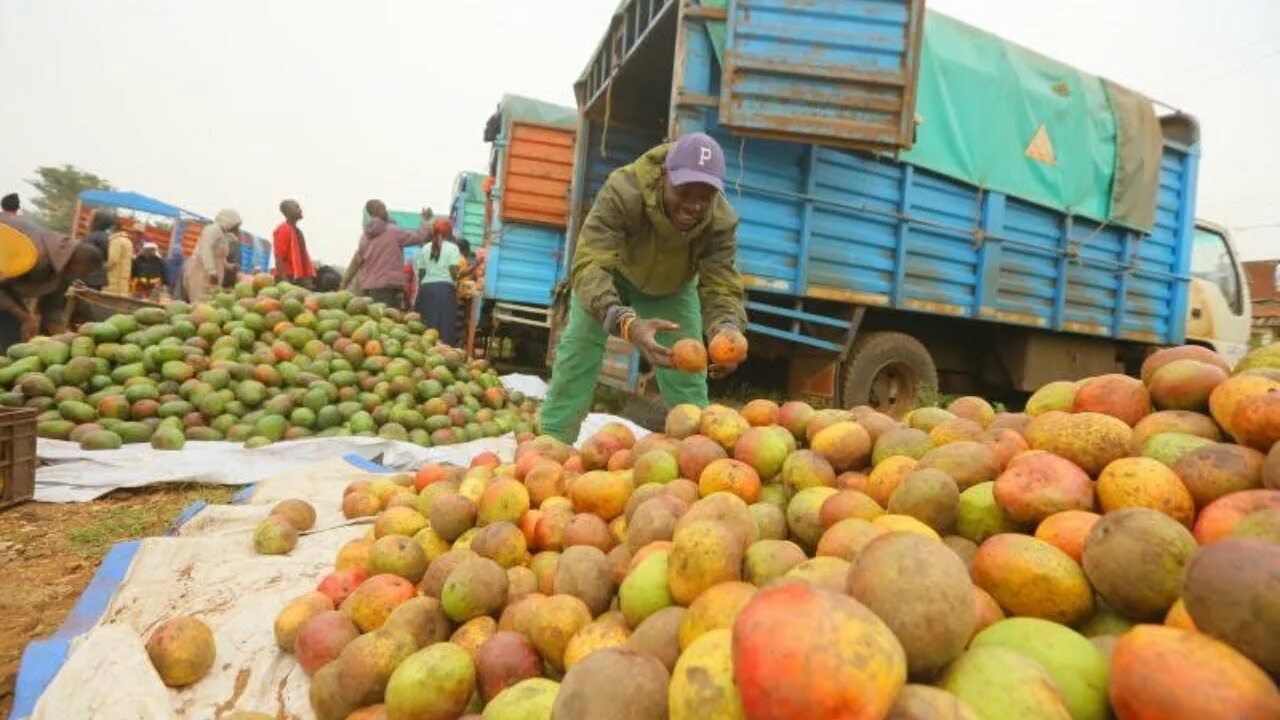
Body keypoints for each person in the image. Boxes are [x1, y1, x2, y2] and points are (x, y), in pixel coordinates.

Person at [539, 133, 748, 443]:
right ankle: (551, 445)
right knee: (577, 355)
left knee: (687, 375)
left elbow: (721, 284)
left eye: (705, 196)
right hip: (612, 275)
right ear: (665, 175)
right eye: (685, 191)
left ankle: (700, 454)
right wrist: (624, 322)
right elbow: (590, 264)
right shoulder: (623, 191)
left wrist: (726, 329)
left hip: (671, 288)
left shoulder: (720, 220)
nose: (694, 205)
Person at [0, 214, 104, 351]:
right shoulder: (35, 255)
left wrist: (64, 337)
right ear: (77, 262)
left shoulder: (65, 270)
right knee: (14, 330)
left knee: (17, 334)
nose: (84, 276)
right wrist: (25, 317)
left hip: (8, 285)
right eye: (86, 271)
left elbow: (52, 306)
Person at [342, 200, 432, 308]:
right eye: (383, 208)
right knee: (388, 322)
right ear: (377, 211)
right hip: (387, 289)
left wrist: (344, 283)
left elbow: (356, 262)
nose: (386, 211)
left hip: (368, 289)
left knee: (373, 322)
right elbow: (419, 236)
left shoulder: (364, 237)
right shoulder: (393, 232)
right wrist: (425, 220)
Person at [413, 219, 464, 346]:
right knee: (443, 329)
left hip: (426, 291)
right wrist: (456, 280)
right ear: (449, 233)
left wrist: (422, 289)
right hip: (444, 292)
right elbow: (453, 273)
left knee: (423, 327)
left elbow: (421, 273)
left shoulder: (425, 248)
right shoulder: (453, 248)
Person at [184, 209, 241, 301]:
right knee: (199, 300)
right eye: (235, 224)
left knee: (210, 301)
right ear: (228, 221)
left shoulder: (223, 234)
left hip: (213, 273)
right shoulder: (212, 229)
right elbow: (205, 249)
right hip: (202, 270)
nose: (235, 227)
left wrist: (230, 266)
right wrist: (211, 271)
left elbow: (220, 257)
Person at [274, 199, 315, 286]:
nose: (300, 210)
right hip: (288, 277)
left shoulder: (298, 232)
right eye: (296, 207)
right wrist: (285, 282)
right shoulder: (283, 230)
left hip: (299, 277)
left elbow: (303, 257)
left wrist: (307, 277)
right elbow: (279, 258)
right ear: (287, 212)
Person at [80, 209, 116, 291]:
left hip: (87, 279)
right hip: (97, 279)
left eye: (90, 218)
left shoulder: (92, 237)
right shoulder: (108, 237)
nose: (87, 220)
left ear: (96, 222)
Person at [104, 223, 135, 296]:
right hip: (122, 284)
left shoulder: (116, 241)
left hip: (113, 285)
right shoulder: (128, 241)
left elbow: (112, 261)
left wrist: (101, 268)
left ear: (113, 228)